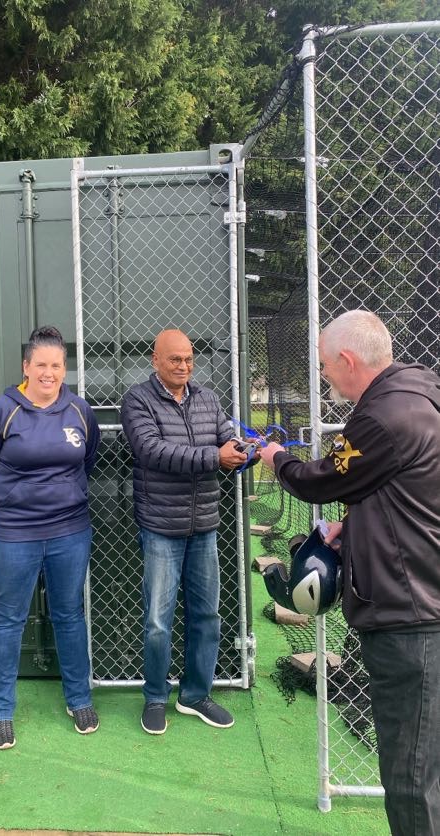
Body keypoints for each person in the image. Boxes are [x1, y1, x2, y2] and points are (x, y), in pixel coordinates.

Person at [259, 310, 440, 836]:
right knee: (421, 761)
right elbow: (398, 490)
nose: (324, 376)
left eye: (324, 366)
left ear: (347, 360)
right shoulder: (418, 393)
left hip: (409, 615)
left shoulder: (382, 416)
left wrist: (277, 458)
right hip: (421, 599)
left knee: (410, 775)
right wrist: (356, 523)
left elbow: (319, 479)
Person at [0, 325, 101, 748]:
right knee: (8, 620)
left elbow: (88, 460)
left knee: (69, 615)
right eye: (41, 365)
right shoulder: (3, 411)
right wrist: (15, 502)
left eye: (57, 365)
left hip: (70, 532)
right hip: (15, 535)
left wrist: (63, 497)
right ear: (26, 367)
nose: (49, 373)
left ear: (65, 369)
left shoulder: (79, 411)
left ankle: (79, 699)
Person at [120, 328, 249, 735]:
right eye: (175, 359)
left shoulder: (208, 398)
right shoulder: (138, 400)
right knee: (159, 621)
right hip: (161, 526)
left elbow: (226, 437)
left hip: (204, 525)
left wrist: (242, 450)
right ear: (156, 360)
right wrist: (215, 456)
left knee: (207, 615)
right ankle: (155, 697)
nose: (184, 366)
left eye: (189, 359)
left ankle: (194, 695)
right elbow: (152, 451)